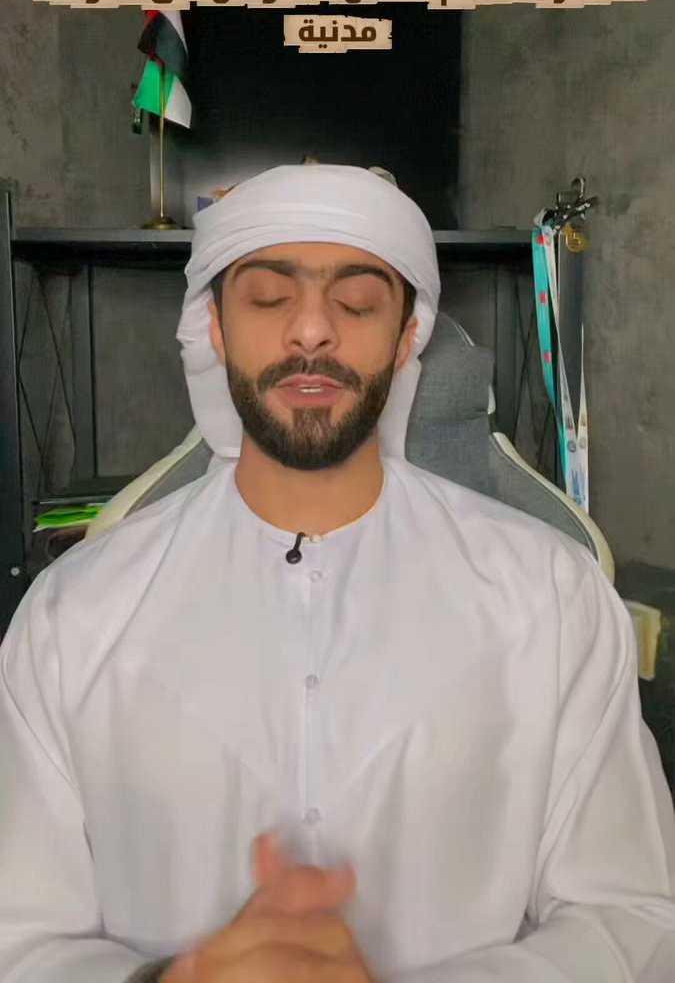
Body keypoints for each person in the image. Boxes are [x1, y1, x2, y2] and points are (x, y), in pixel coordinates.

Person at [0, 163, 674, 983]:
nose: (312, 331)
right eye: (267, 298)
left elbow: (629, 916)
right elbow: (18, 933)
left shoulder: (550, 598)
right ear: (216, 327)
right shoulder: (75, 615)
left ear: (407, 336)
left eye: (355, 302)